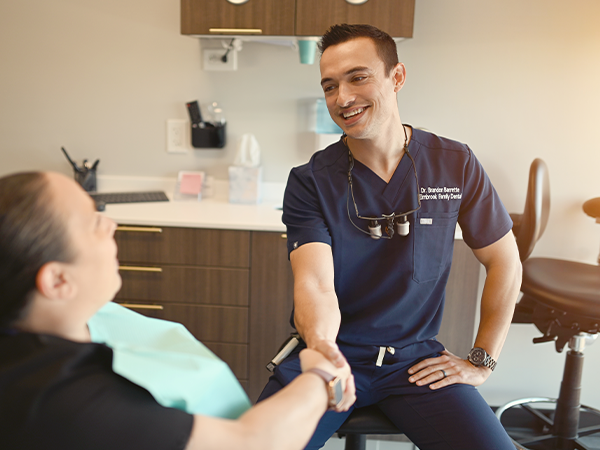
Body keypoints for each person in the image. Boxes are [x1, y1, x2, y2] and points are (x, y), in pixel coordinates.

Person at [258, 23, 522, 449]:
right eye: (329, 86)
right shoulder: (311, 181)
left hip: (415, 362)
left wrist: (482, 359)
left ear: (396, 77)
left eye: (358, 77)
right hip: (334, 356)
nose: (342, 98)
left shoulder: (453, 163)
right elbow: (314, 284)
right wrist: (325, 352)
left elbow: (505, 261)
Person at [0, 171, 356, 450]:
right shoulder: (70, 404)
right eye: (94, 223)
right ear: (58, 282)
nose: (111, 225)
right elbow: (256, 442)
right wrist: (320, 376)